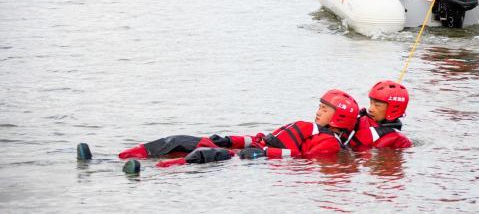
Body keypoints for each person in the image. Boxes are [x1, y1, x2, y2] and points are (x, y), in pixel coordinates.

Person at [118, 89, 359, 167]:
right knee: (180, 139)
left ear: (339, 118)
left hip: (249, 158)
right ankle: (119, 157)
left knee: (204, 154)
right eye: (319, 106)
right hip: (252, 149)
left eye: (325, 110)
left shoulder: (328, 143)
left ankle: (153, 171)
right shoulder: (310, 127)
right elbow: (264, 137)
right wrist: (230, 139)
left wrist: (262, 154)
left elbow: (300, 157)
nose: (318, 111)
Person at [345, 80, 412, 151]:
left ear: (394, 109)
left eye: (377, 105)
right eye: (371, 103)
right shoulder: (359, 120)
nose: (370, 109)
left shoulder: (401, 142)